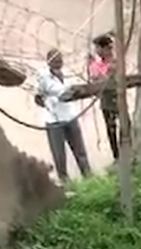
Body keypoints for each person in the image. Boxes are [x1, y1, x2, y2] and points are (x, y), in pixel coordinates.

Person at [35, 48, 92, 181]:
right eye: (54, 61)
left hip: (70, 116)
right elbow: (37, 97)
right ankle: (65, 182)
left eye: (59, 60)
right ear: (48, 62)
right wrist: (47, 104)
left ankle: (89, 178)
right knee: (59, 155)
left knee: (80, 151)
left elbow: (75, 90)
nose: (58, 63)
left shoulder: (67, 74)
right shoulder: (42, 77)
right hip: (54, 120)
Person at [88, 33, 121, 159]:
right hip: (105, 102)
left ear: (107, 48)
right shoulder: (98, 64)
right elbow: (94, 80)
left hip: (116, 100)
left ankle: (125, 156)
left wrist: (98, 76)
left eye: (98, 48)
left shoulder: (115, 63)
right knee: (110, 131)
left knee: (120, 129)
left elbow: (105, 79)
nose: (97, 51)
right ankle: (116, 157)